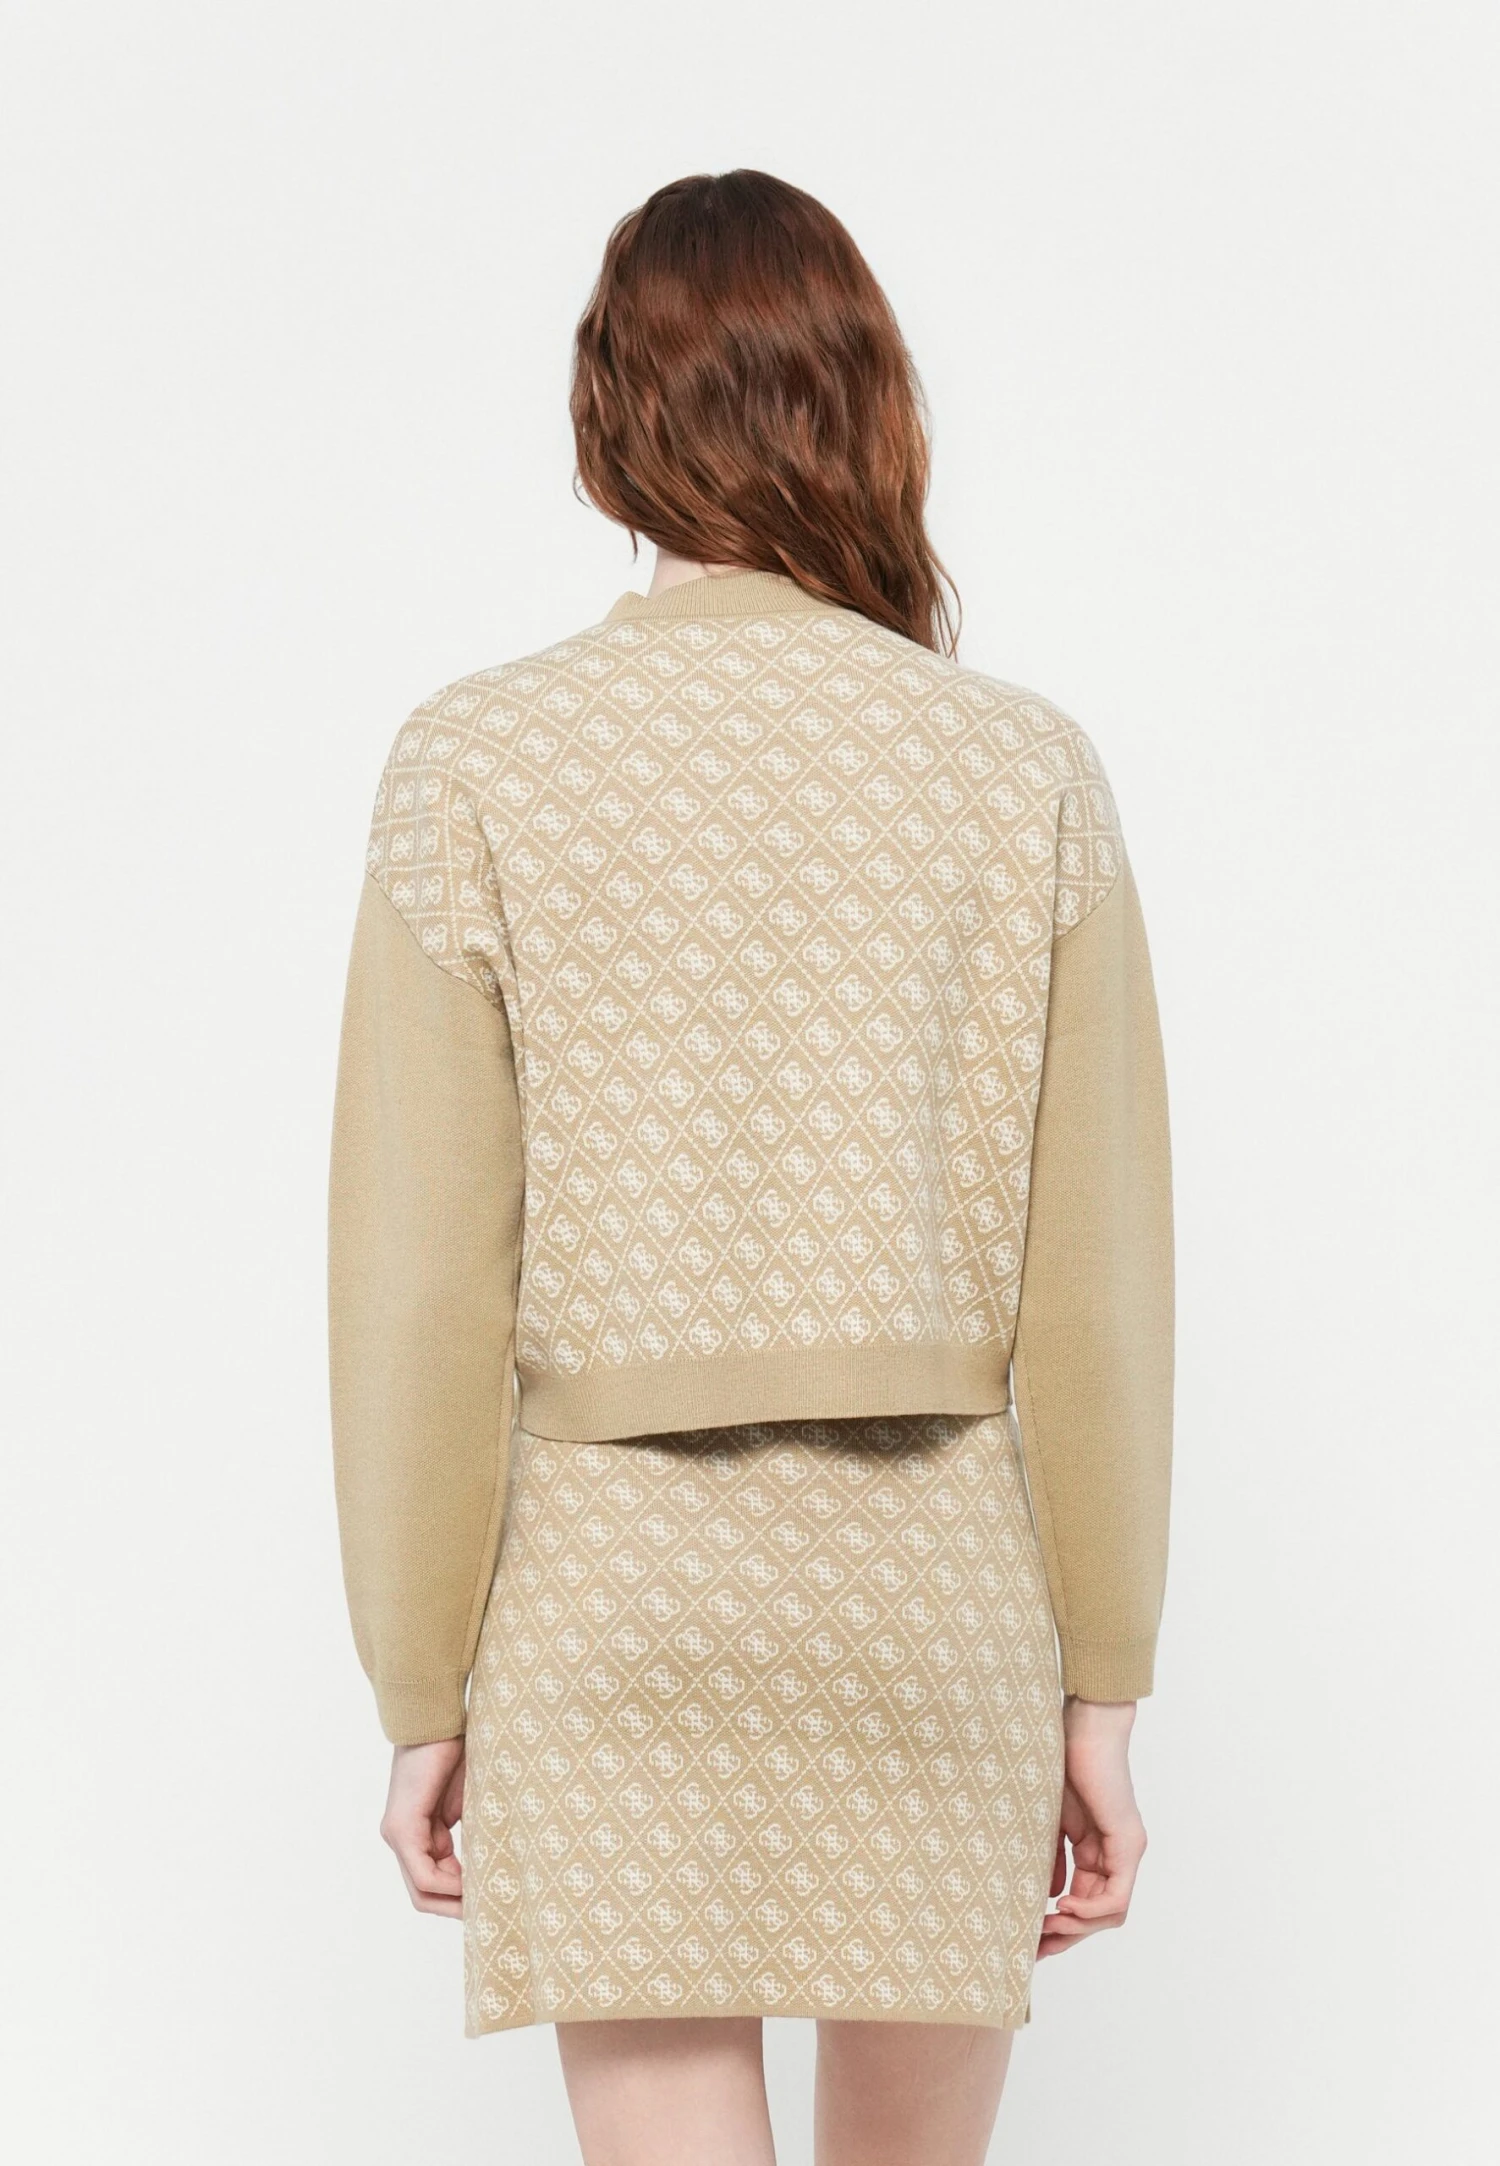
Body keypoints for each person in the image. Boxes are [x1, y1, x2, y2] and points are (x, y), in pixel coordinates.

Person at [328, 168, 1173, 2166]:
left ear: (607, 423)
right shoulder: (1021, 766)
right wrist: (1104, 1686)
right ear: (870, 405)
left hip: (609, 1592)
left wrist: (420, 1682)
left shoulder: (477, 760)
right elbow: (1096, 1280)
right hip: (932, 1587)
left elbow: (420, 1278)